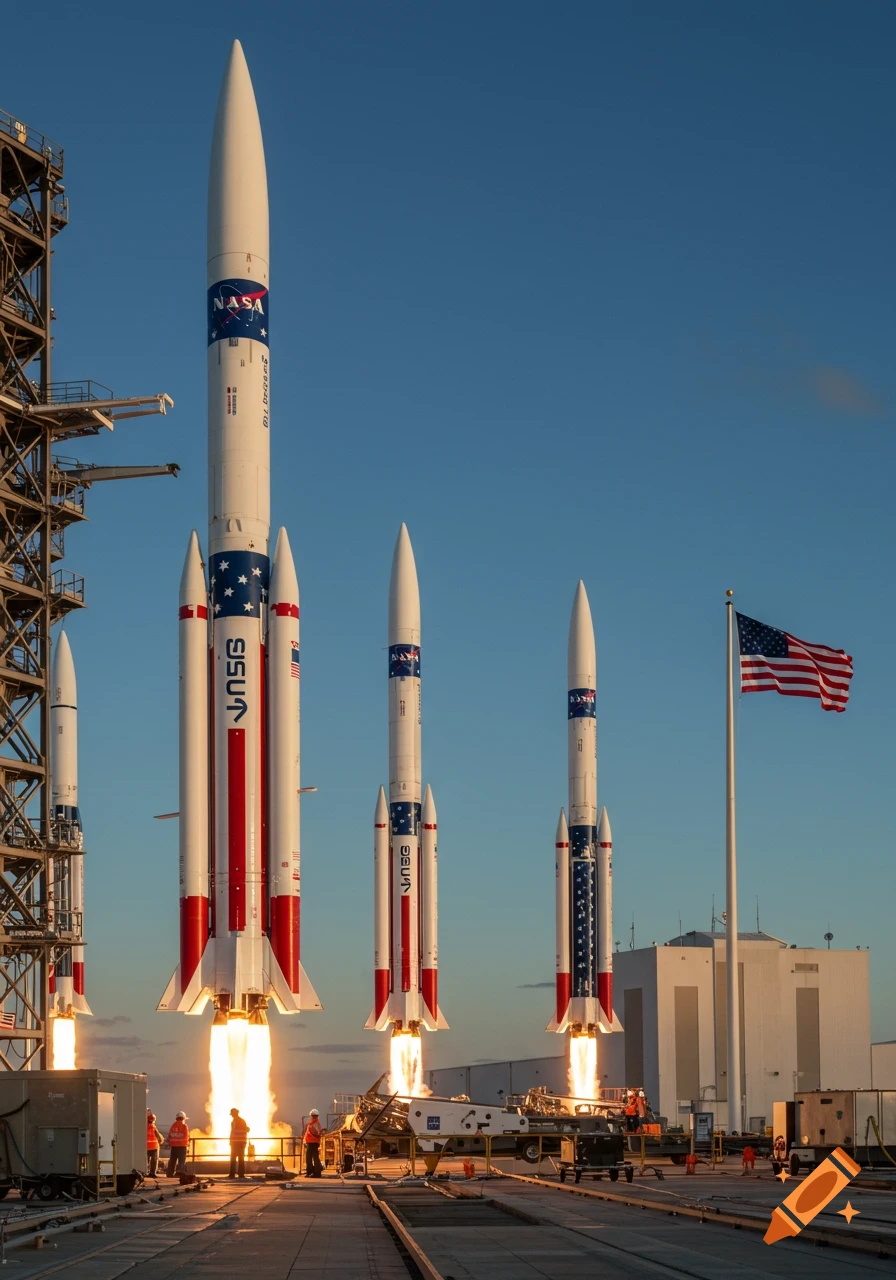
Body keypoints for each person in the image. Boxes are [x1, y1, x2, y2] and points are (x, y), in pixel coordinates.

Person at [167, 1111, 190, 1178]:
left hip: (174, 1146)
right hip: (182, 1146)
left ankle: (170, 1174)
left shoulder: (173, 1126)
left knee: (172, 1161)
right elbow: (186, 1136)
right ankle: (181, 1173)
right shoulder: (184, 1126)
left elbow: (170, 1135)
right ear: (183, 1118)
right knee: (181, 1161)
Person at [229, 1108, 250, 1178]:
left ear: (235, 1114)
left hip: (238, 1143)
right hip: (238, 1143)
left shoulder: (237, 1121)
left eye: (232, 1114)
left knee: (235, 1159)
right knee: (238, 1158)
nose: (231, 1115)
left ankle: (234, 1174)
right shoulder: (239, 1121)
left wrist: (231, 1141)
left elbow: (235, 1132)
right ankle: (239, 1174)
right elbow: (247, 1130)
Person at [304, 1108, 323, 1177]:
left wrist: (315, 1135)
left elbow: (317, 1133)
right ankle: (312, 1172)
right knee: (312, 1158)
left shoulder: (314, 1123)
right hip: (311, 1142)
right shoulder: (313, 1123)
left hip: (313, 1143)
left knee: (311, 1158)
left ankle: (315, 1173)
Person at [146, 1112, 163, 1178]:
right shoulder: (153, 1127)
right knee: (154, 1161)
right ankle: (152, 1173)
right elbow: (159, 1138)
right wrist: (161, 1141)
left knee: (146, 1161)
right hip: (154, 1147)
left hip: (146, 1147)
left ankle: (145, 1172)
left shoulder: (144, 1127)